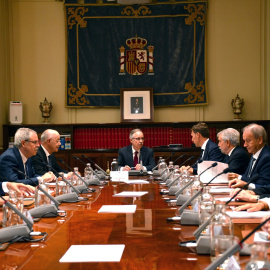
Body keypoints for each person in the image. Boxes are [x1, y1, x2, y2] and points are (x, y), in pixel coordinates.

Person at [229, 124, 270, 189]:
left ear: (259, 140)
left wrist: (245, 184)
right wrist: (238, 178)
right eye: (244, 141)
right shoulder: (254, 153)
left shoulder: (267, 157)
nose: (245, 145)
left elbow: (264, 185)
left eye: (248, 141)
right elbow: (249, 177)